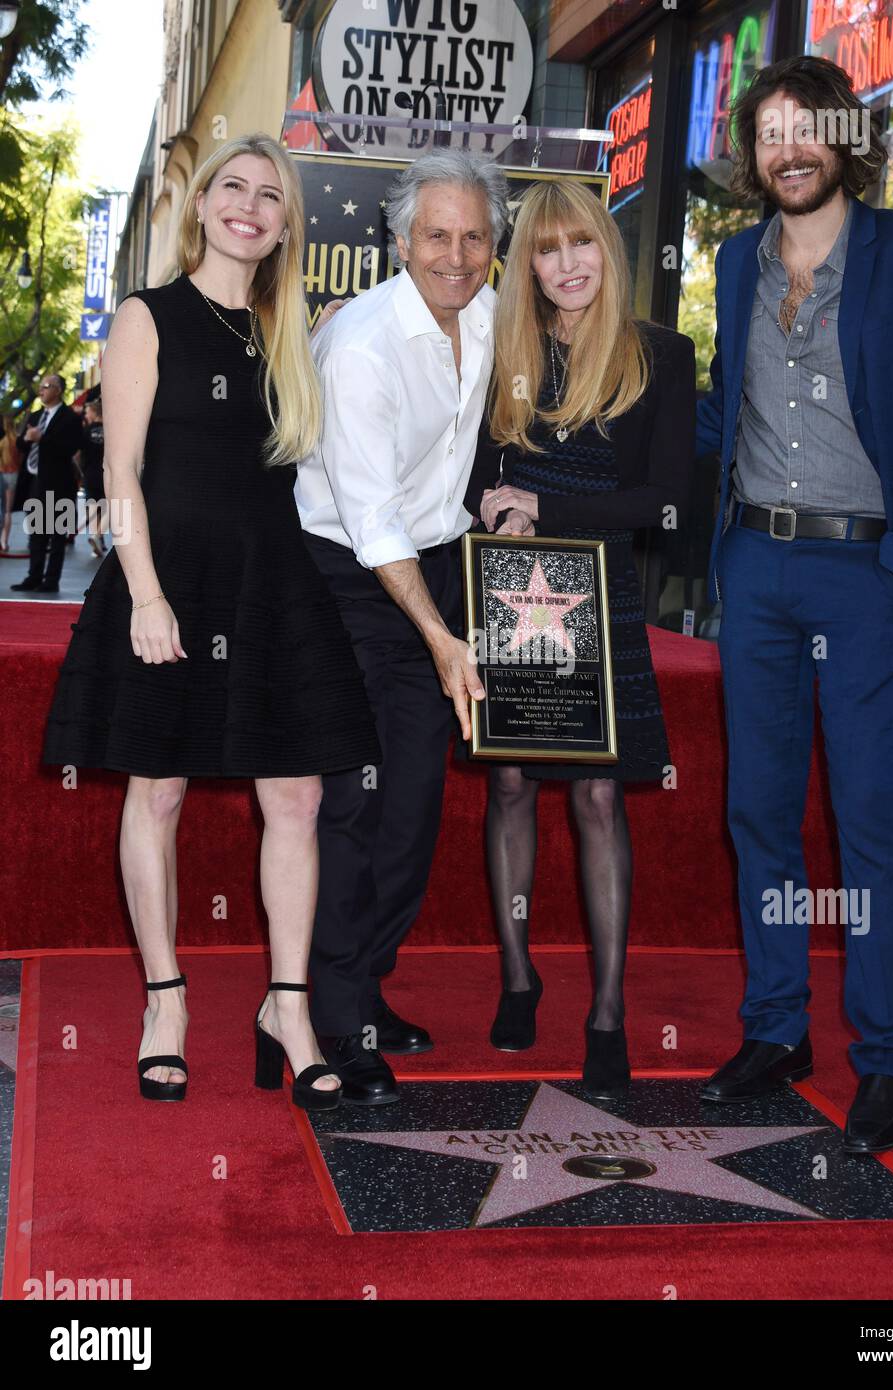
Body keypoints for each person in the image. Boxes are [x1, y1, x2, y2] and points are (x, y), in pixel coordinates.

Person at [41, 133, 380, 1109]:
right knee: (157, 793)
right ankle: (166, 1000)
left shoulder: (292, 332)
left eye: (270, 196)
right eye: (233, 186)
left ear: (285, 227)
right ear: (200, 205)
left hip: (273, 580)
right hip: (172, 579)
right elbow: (119, 474)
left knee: (299, 800)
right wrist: (145, 593)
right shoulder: (146, 319)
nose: (249, 205)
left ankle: (287, 1004)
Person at [695, 56, 893, 1153]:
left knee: (867, 815)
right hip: (755, 567)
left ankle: (888, 1059)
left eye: (807, 130)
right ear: (754, 154)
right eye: (769, 135)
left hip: (866, 572)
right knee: (757, 812)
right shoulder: (734, 262)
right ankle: (776, 1028)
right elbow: (723, 410)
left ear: (843, 138)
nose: (789, 151)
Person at [462, 179, 695, 1099]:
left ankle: (608, 1009)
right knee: (512, 782)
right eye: (547, 250)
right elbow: (477, 471)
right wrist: (493, 505)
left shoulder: (659, 356)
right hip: (514, 593)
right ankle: (519, 977)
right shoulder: (499, 348)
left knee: (600, 799)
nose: (566, 266)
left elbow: (666, 503)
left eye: (582, 245)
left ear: (609, 249)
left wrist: (543, 504)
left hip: (603, 596)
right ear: (529, 262)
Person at [295, 150, 506, 1105]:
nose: (455, 256)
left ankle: (364, 985)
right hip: (346, 575)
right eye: (436, 235)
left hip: (434, 566)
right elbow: (374, 521)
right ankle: (331, 1018)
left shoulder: (494, 314)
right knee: (354, 799)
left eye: (472, 236)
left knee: (416, 793)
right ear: (397, 241)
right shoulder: (363, 345)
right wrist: (439, 634)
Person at [10, 374, 81, 592]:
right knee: (37, 534)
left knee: (56, 535)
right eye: (40, 387)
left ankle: (51, 581)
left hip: (59, 484)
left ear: (58, 390)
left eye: (46, 386)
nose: (41, 390)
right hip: (35, 481)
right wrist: (27, 439)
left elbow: (70, 448)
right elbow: (22, 445)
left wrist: (43, 439)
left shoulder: (69, 417)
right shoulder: (35, 415)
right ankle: (33, 576)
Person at [79, 397, 108, 557]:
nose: (85, 414)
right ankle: (99, 537)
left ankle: (95, 537)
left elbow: (78, 452)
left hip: (90, 472)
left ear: (94, 413)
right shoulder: (112, 430)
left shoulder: (86, 431)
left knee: (92, 506)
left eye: (87, 412)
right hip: (107, 472)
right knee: (107, 507)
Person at [1, 414, 20, 553]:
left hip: (1, 473)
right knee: (7, 511)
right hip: (13, 475)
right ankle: (4, 541)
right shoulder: (17, 441)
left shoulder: (2, 442)